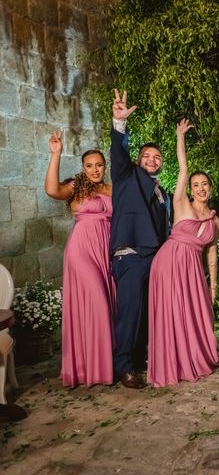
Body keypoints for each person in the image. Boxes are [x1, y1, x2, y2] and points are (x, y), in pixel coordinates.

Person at [147, 119, 219, 387]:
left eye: (205, 184)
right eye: (196, 185)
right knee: (172, 311)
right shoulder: (181, 203)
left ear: (210, 188)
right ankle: (173, 362)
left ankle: (195, 355)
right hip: (170, 262)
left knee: (197, 310)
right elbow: (183, 168)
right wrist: (180, 136)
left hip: (192, 268)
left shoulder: (214, 220)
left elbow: (211, 254)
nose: (201, 188)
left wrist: (213, 286)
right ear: (190, 189)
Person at [109, 90, 171, 389]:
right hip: (131, 254)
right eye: (146, 155)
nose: (152, 159)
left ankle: (138, 357)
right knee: (130, 312)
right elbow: (118, 153)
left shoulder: (163, 191)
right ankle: (122, 366)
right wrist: (119, 124)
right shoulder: (126, 175)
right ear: (138, 159)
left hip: (153, 257)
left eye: (157, 157)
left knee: (145, 312)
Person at [45, 130, 115, 387]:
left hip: (105, 249)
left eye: (98, 165)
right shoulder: (76, 186)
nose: (94, 170)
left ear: (104, 166)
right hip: (81, 249)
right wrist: (56, 154)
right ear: (83, 168)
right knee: (96, 301)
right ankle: (93, 367)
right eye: (89, 166)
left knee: (106, 303)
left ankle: (101, 366)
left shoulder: (111, 188)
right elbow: (52, 190)